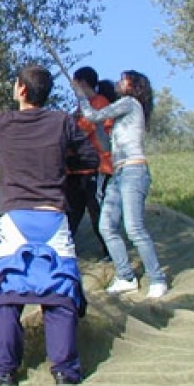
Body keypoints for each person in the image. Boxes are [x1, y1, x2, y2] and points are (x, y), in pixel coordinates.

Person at [0, 65, 99, 386]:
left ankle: (3, 371)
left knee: (7, 293)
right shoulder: (62, 121)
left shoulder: (4, 123)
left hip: (16, 220)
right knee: (60, 293)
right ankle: (66, 370)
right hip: (53, 218)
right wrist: (64, 167)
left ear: (21, 89)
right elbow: (90, 157)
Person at [72, 70, 167, 299]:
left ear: (133, 86)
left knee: (134, 228)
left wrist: (81, 96)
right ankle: (125, 276)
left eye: (123, 79)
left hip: (134, 170)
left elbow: (93, 116)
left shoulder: (129, 103)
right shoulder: (122, 109)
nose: (118, 81)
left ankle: (157, 278)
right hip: (119, 173)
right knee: (106, 226)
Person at [64, 67, 112, 260]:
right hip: (75, 170)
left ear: (83, 83)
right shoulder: (81, 108)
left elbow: (82, 132)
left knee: (97, 212)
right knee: (71, 213)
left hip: (96, 167)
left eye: (75, 84)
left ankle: (110, 252)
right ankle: (64, 250)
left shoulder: (99, 104)